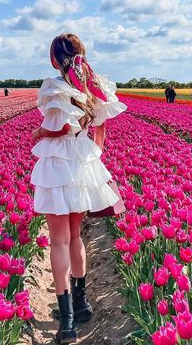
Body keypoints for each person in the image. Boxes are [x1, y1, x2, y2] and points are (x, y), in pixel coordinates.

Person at [31, 33, 127, 344]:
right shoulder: (93, 88)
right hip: (82, 163)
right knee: (75, 236)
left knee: (58, 241)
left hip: (58, 165)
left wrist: (38, 131)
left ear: (54, 60)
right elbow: (98, 131)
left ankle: (67, 319)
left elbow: (60, 127)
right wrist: (91, 161)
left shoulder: (56, 87)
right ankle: (82, 302)